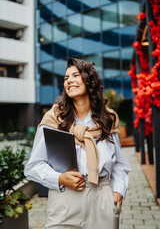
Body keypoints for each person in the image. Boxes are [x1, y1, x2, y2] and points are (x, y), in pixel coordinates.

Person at [24, 58, 131, 229]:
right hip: (65, 198)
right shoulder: (53, 119)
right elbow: (33, 166)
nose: (69, 80)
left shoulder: (108, 119)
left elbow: (119, 163)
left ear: (90, 80)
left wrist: (118, 190)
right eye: (66, 78)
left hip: (102, 197)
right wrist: (59, 178)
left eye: (75, 75)